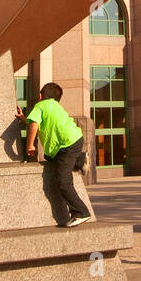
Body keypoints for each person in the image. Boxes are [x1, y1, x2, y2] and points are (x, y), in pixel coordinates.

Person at [16, 82, 92, 227]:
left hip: (65, 145)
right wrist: (23, 119)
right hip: (74, 139)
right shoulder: (54, 106)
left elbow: (34, 125)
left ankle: (81, 212)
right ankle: (80, 159)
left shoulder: (39, 106)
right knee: (51, 158)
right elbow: (34, 122)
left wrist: (30, 145)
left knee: (63, 181)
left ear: (40, 96)